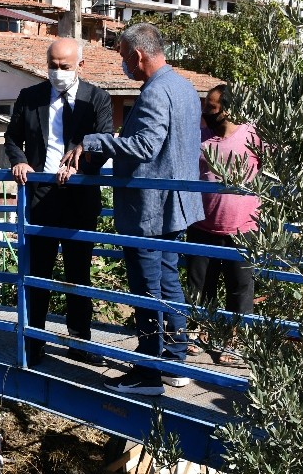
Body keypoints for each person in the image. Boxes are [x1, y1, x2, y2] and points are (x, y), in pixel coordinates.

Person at [60, 23, 205, 396]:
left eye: (124, 57)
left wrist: (93, 142)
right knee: (169, 283)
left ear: (138, 55)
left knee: (146, 289)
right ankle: (174, 361)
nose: (124, 64)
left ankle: (148, 371)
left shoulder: (156, 92)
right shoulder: (185, 88)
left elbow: (144, 147)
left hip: (150, 210)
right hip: (176, 206)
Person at [5, 38, 114, 367]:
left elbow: (106, 143)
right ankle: (34, 342)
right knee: (38, 273)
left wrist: (80, 165)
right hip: (39, 198)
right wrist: (20, 161)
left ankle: (79, 342)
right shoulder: (30, 96)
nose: (56, 72)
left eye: (64, 67)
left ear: (81, 65)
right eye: (52, 65)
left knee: (79, 274)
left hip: (79, 199)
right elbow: (12, 138)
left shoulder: (98, 98)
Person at [186, 84, 261, 366]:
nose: (206, 112)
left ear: (228, 110)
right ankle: (198, 332)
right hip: (202, 225)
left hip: (242, 229)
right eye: (206, 106)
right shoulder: (200, 137)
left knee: (239, 289)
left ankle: (233, 341)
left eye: (212, 108)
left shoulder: (253, 136)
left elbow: (289, 161)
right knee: (199, 285)